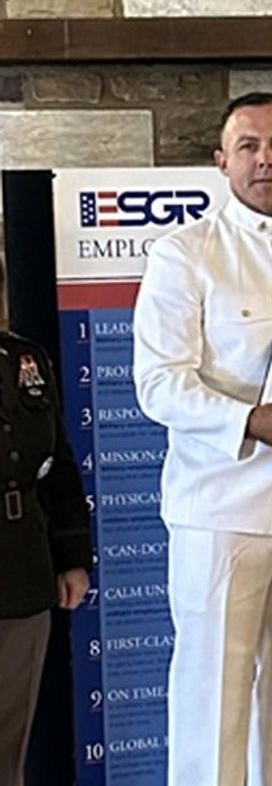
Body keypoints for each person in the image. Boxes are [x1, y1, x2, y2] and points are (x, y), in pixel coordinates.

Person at [133, 92, 272, 786]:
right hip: (220, 510)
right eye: (249, 146)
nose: (266, 158)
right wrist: (248, 420)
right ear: (222, 161)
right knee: (214, 696)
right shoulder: (186, 254)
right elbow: (158, 383)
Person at [0, 264, 92, 786]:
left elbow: (56, 462)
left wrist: (71, 556)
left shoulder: (23, 359)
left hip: (20, 568)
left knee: (9, 740)